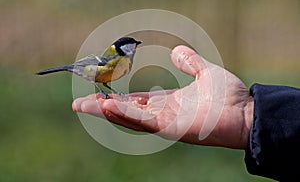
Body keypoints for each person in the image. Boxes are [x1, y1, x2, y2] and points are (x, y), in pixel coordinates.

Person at [72, 45, 300, 181]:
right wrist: (248, 116)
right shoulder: (113, 57)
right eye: (132, 45)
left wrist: (246, 116)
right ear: (124, 48)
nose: (134, 48)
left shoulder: (124, 61)